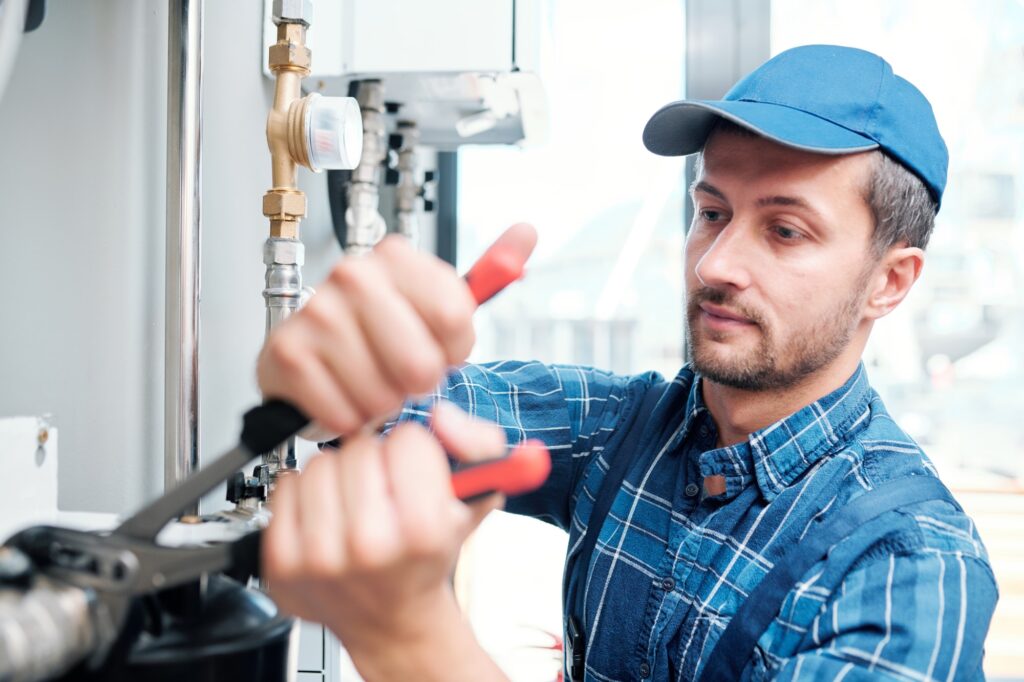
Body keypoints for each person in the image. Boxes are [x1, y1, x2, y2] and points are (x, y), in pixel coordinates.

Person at [258, 45, 998, 680]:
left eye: (785, 231)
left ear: (889, 281)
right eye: (712, 213)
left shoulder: (909, 567)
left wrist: (409, 637)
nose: (717, 263)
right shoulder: (629, 428)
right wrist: (327, 364)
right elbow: (380, 410)